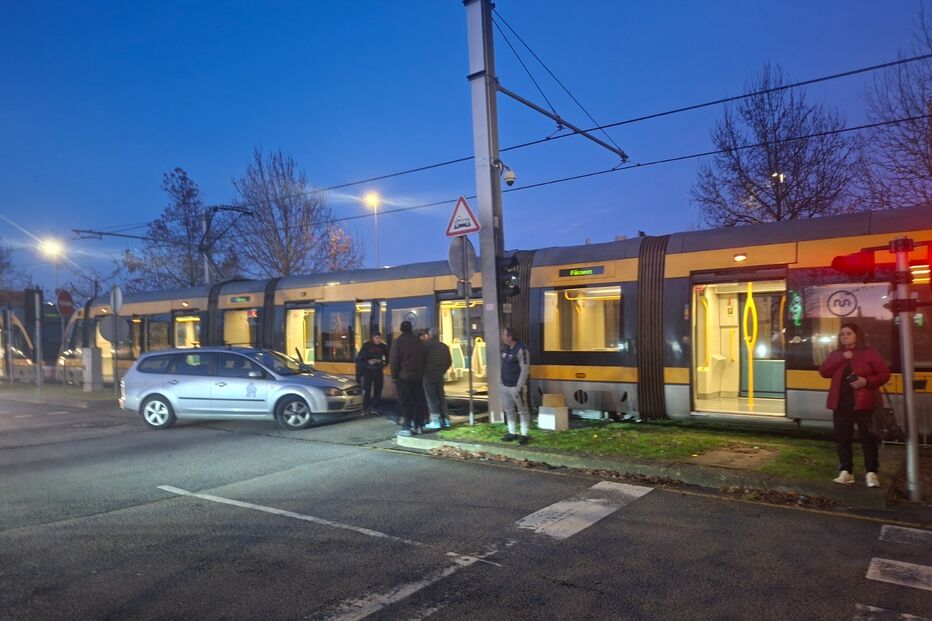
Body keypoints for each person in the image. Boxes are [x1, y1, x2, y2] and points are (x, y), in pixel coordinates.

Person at [818, 322, 890, 488]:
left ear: (857, 335)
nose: (845, 337)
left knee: (868, 439)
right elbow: (824, 371)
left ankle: (871, 473)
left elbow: (884, 374)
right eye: (842, 334)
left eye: (848, 333)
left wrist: (866, 381)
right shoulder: (836, 354)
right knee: (843, 439)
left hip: (865, 405)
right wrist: (842, 358)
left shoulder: (869, 352)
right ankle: (846, 471)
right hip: (841, 405)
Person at [389, 320, 427, 437]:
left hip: (403, 377)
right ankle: (419, 425)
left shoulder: (398, 342)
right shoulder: (419, 342)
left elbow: (394, 361)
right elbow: (424, 359)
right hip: (418, 377)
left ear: (401, 329)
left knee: (406, 402)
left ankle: (407, 427)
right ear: (411, 329)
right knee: (418, 401)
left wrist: (395, 376)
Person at [499, 326, 531, 445]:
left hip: (516, 387)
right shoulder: (506, 349)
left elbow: (525, 369)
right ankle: (512, 432)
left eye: (504, 334)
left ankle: (524, 434)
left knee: (522, 410)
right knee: (509, 410)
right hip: (505, 386)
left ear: (510, 337)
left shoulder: (521, 350)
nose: (502, 337)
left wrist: (519, 387)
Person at [419, 329, 453, 430]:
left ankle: (435, 420)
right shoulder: (444, 346)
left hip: (428, 376)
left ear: (429, 335)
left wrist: (423, 372)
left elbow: (421, 361)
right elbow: (449, 362)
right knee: (441, 397)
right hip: (440, 375)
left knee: (431, 398)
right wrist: (442, 370)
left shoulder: (425, 346)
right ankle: (446, 419)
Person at [356, 331, 388, 415]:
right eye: (377, 338)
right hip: (368, 370)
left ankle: (375, 407)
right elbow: (360, 358)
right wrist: (368, 361)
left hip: (378, 370)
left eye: (379, 338)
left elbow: (387, 357)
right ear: (373, 338)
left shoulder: (383, 346)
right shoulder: (367, 345)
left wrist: (382, 363)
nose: (378, 340)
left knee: (378, 389)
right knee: (367, 389)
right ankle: (366, 408)